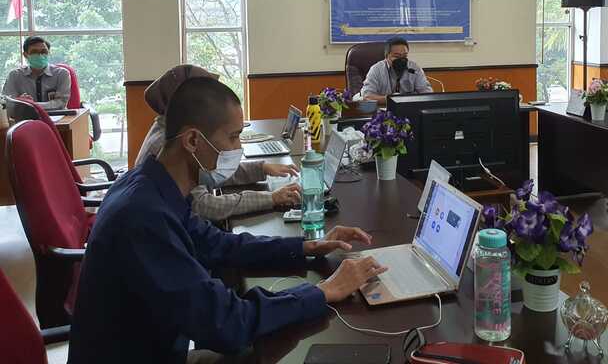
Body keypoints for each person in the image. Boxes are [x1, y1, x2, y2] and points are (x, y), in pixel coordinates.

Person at [67, 77, 387, 364]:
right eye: (234, 137)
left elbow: (217, 244)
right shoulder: (143, 217)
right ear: (193, 141)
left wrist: (305, 247)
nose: (239, 149)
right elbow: (228, 324)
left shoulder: (151, 185)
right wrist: (323, 291)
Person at [135, 65, 301, 221]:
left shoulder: (170, 131)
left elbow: (212, 169)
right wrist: (270, 198)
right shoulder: (168, 146)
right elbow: (204, 205)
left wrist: (260, 168)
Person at [2, 36, 71, 110]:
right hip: (24, 116)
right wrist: (19, 100)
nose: (40, 55)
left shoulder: (62, 74)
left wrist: (29, 105)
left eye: (44, 52)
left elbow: (61, 103)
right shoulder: (14, 75)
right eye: (34, 52)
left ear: (48, 53)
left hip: (56, 116)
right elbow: (5, 102)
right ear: (25, 55)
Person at [361, 36, 432, 106]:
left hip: (409, 107)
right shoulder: (376, 70)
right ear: (386, 56)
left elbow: (427, 94)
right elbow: (367, 97)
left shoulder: (414, 69)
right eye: (397, 56)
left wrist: (409, 100)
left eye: (404, 56)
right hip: (384, 108)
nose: (401, 60)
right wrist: (393, 99)